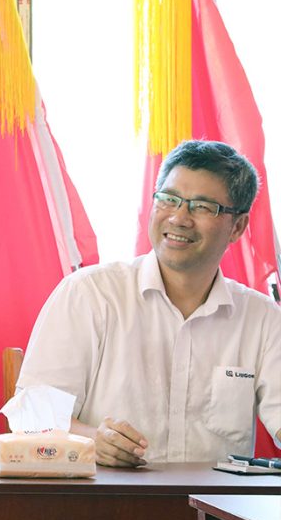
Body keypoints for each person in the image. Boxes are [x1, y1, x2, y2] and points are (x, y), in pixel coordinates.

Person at [17, 140, 280, 467]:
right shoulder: (90, 294)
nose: (179, 218)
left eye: (201, 207)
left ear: (237, 227)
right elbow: (31, 414)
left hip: (215, 499)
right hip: (106, 494)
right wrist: (92, 440)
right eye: (169, 199)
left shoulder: (263, 319)